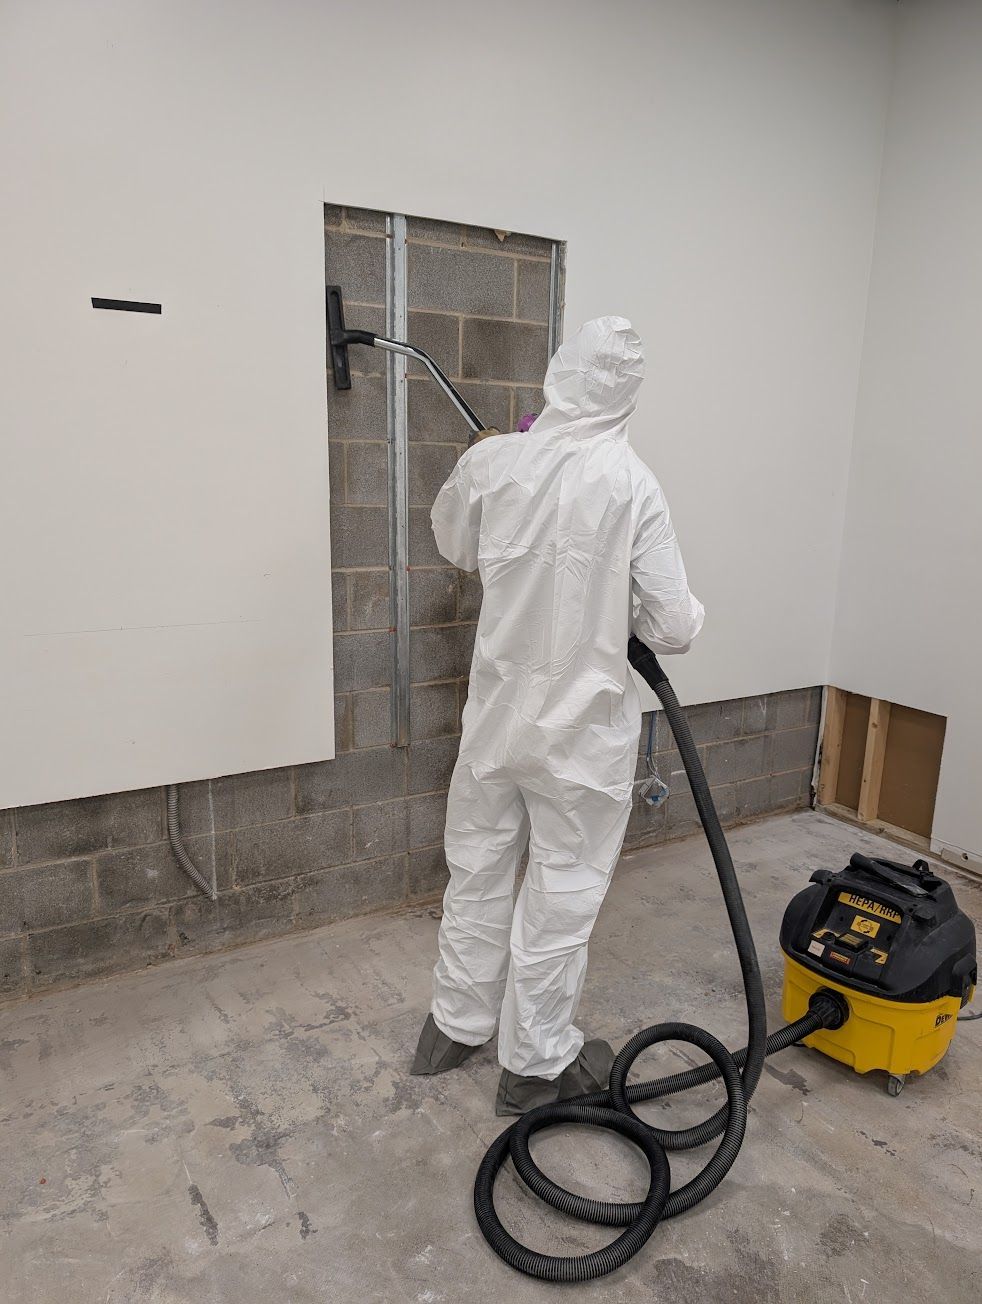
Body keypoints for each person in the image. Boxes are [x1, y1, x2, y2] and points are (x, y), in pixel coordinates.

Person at [411, 317, 704, 1115]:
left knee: (476, 869)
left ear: (559, 375)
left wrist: (506, 470)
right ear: (628, 396)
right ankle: (537, 1063)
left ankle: (454, 1026)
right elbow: (674, 628)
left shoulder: (494, 460)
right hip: (580, 737)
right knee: (562, 889)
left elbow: (452, 545)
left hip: (497, 723)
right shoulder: (633, 483)